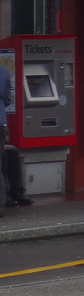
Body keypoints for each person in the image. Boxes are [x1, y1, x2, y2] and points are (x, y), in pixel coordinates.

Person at [0, 60, 33, 213]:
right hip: (1, 124)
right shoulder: (3, 70)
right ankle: (8, 196)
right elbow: (7, 99)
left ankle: (13, 193)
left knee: (11, 152)